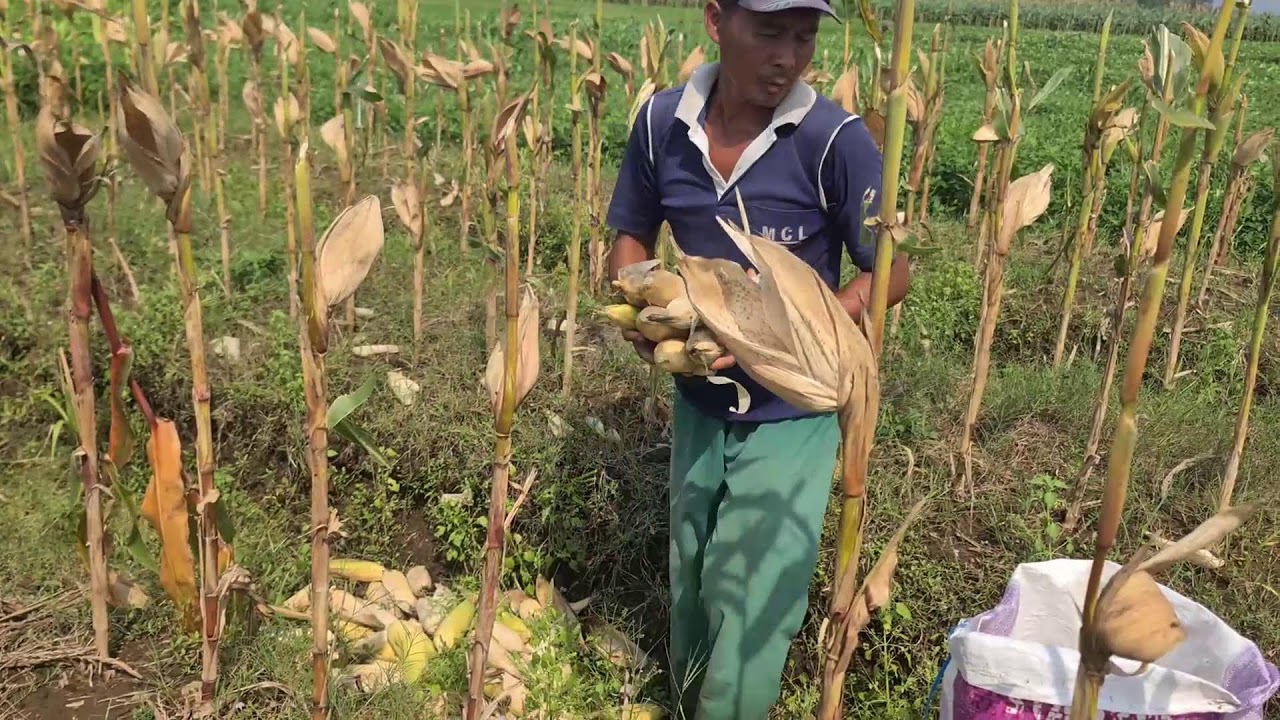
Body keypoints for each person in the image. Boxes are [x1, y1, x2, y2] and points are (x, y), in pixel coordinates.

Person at [604, 0, 911, 717]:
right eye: (769, 32)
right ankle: (687, 705)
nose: (788, 55)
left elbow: (893, 269)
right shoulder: (660, 124)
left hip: (793, 408)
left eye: (803, 36)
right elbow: (630, 231)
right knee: (692, 578)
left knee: (746, 592)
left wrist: (801, 326)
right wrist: (638, 303)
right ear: (717, 21)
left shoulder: (834, 141)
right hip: (699, 401)